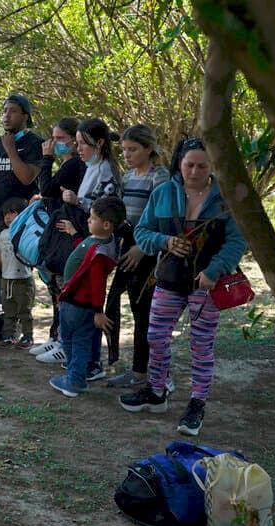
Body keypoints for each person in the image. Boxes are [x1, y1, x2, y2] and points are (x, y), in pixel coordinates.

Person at [119, 137, 248, 436]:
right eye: (189, 165)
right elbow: (142, 231)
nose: (194, 172)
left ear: (212, 166)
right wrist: (165, 242)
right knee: (155, 336)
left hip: (207, 286)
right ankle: (156, 391)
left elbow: (237, 241)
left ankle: (197, 404)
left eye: (202, 166)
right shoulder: (163, 192)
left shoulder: (225, 199)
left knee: (201, 346)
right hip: (168, 279)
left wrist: (214, 270)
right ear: (179, 163)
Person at [40, 118, 122, 378]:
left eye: (82, 144)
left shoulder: (105, 171)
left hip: (97, 248)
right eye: (76, 143)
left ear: (99, 143)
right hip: (86, 242)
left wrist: (78, 201)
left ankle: (89, 364)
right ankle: (81, 360)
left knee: (89, 306)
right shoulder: (92, 167)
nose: (78, 149)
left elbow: (105, 211)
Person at [104, 124, 171, 388]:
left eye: (133, 149)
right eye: (124, 150)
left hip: (149, 251)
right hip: (128, 247)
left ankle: (148, 372)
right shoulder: (129, 177)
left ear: (148, 148)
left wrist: (143, 248)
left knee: (145, 313)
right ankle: (132, 367)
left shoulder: (160, 177)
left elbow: (163, 219)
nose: (127, 155)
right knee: (124, 304)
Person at [49, 198, 127, 397]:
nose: (88, 221)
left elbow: (97, 283)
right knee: (79, 340)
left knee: (72, 340)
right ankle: (78, 376)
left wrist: (98, 311)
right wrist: (75, 235)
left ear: (106, 225)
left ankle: (74, 380)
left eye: (92, 218)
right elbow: (84, 251)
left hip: (77, 303)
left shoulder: (99, 252)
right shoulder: (104, 242)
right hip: (78, 302)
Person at [29, 117, 86, 358]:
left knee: (64, 288)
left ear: (74, 140)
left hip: (68, 233)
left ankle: (64, 343)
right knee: (55, 287)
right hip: (59, 230)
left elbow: (46, 188)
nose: (54, 143)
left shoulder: (73, 165)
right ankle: (55, 336)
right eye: (53, 138)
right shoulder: (69, 165)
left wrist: (47, 158)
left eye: (60, 138)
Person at [0, 94, 44, 239]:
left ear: (25, 116)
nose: (7, 116)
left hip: (23, 216)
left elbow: (27, 178)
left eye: (13, 111)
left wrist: (10, 149)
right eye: (5, 111)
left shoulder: (35, 143)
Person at [0, 197, 36, 348]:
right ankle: (9, 335)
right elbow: (0, 253)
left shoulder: (26, 233)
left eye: (12, 213)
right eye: (5, 214)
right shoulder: (4, 233)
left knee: (24, 310)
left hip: (23, 279)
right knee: (8, 310)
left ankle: (27, 336)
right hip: (6, 279)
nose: (8, 217)